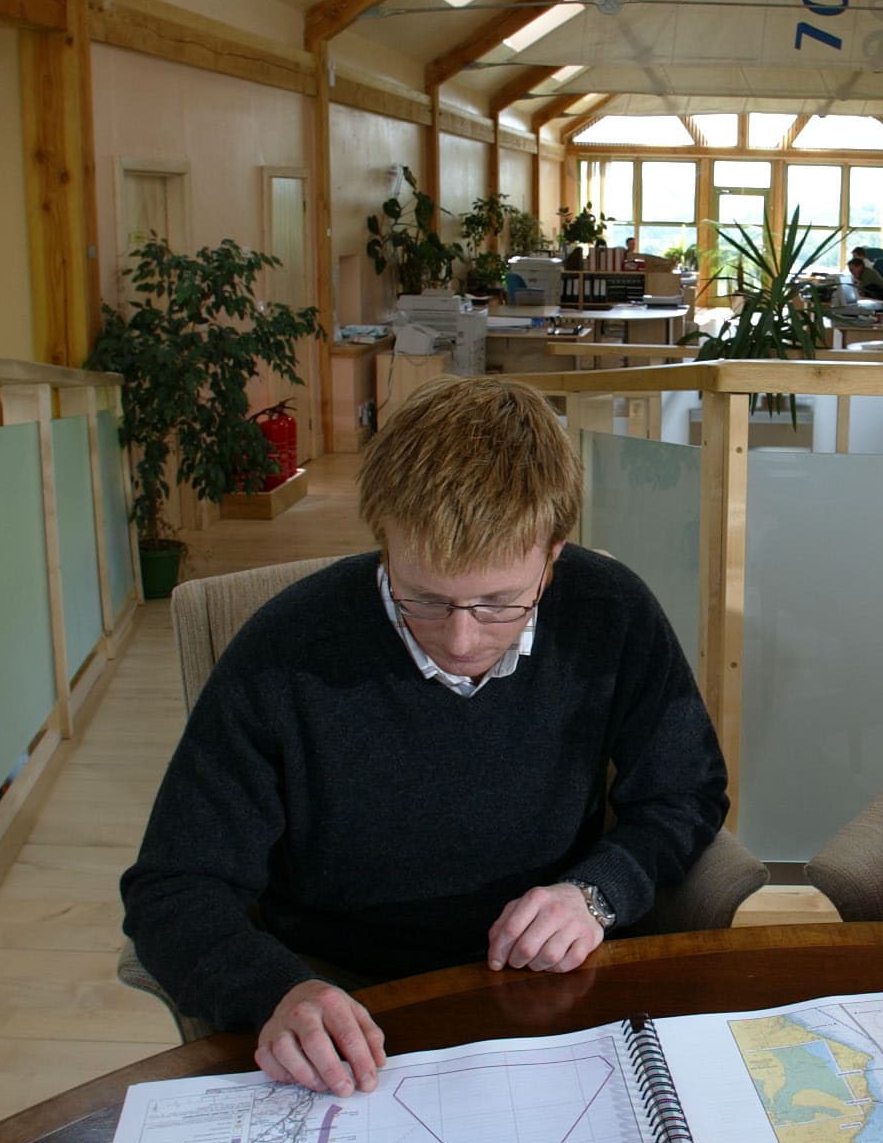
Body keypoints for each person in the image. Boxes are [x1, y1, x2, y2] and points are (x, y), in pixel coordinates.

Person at [122, 376, 728, 1094]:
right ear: (384, 545)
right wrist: (276, 991)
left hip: (555, 982)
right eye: (424, 599)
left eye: (500, 603)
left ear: (553, 554)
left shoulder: (611, 612)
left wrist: (594, 893)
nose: (462, 638)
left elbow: (686, 790)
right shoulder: (285, 649)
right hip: (348, 1003)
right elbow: (174, 885)